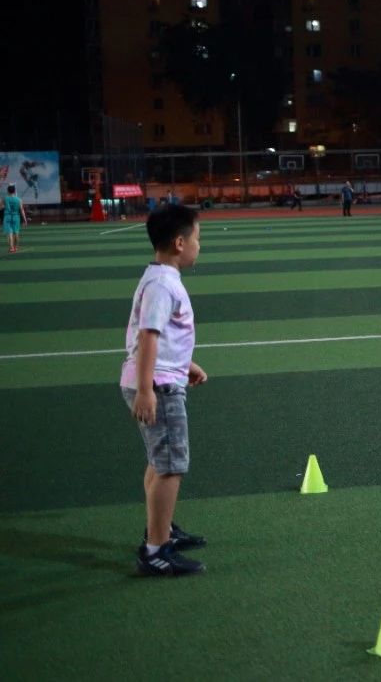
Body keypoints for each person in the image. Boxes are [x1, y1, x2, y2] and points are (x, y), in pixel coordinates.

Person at [120, 203, 209, 576]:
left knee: (160, 462)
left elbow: (162, 334)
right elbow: (148, 336)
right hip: (158, 385)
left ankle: (162, 527)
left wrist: (185, 363)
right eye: (197, 238)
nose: (198, 246)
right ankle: (156, 550)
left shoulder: (160, 277)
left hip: (159, 377)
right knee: (171, 466)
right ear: (178, 243)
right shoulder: (162, 284)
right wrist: (146, 389)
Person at [4, 183, 29, 254]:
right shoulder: (19, 200)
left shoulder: (5, 198)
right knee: (16, 232)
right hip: (16, 217)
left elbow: (0, 207)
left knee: (10, 233)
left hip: (7, 217)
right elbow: (22, 210)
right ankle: (15, 247)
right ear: (14, 191)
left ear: (8, 191)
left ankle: (11, 248)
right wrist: (25, 220)